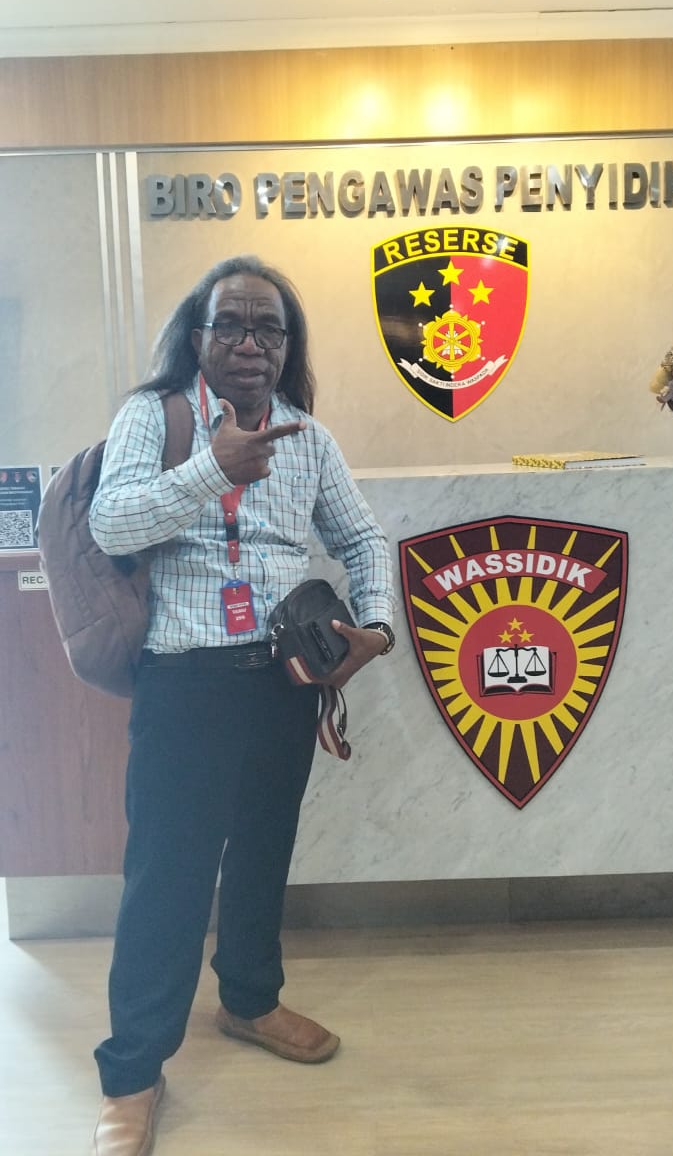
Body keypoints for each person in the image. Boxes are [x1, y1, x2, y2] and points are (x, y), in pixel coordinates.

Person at [88, 254, 395, 1156]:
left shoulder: (309, 437)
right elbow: (112, 524)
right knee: (168, 879)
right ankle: (132, 1074)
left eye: (269, 329)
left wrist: (375, 624)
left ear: (287, 347)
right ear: (198, 337)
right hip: (185, 681)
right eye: (231, 325)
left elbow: (362, 536)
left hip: (283, 680)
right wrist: (210, 470)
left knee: (263, 852)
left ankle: (250, 1001)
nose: (251, 343)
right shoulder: (155, 417)